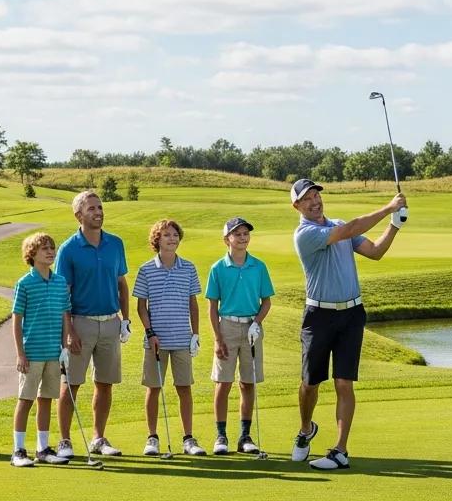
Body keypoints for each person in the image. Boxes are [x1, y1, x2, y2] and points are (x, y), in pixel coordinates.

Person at [290, 178, 407, 471]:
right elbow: (350, 229)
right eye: (307, 199)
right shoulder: (305, 233)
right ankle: (306, 429)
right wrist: (387, 207)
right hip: (318, 316)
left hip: (351, 314)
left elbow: (375, 251)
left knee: (344, 382)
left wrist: (395, 223)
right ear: (297, 206)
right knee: (310, 383)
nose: (315, 202)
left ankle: (340, 450)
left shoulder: (337, 224)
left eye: (317, 196)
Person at [54, 190, 131, 459]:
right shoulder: (68, 249)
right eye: (91, 209)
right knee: (71, 383)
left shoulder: (115, 243)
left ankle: (98, 438)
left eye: (99, 207)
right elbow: (63, 293)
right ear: (79, 215)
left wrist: (126, 319)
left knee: (105, 383)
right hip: (81, 323)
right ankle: (64, 440)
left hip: (110, 322)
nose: (98, 212)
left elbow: (122, 284)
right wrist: (69, 330)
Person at [134, 219, 205, 456]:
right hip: (156, 341)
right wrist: (150, 332)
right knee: (154, 388)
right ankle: (152, 438)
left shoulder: (189, 268)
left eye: (175, 235)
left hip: (182, 339)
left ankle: (188, 439)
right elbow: (141, 307)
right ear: (157, 240)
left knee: (184, 388)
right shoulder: (146, 269)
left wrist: (195, 333)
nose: (172, 239)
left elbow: (193, 304)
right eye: (166, 235)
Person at [205, 216, 274, 455]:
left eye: (246, 234)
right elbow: (212, 307)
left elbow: (266, 302)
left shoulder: (259, 266)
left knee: (248, 383)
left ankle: (245, 436)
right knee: (223, 383)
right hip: (227, 327)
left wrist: (257, 322)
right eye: (238, 234)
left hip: (252, 329)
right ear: (227, 239)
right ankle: (220, 435)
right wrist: (217, 338)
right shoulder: (217, 268)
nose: (243, 238)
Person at [10, 232, 72, 467]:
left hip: (53, 354)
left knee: (46, 399)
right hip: (32, 353)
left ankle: (43, 449)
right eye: (44, 248)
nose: (50, 252)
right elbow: (16, 320)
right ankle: (18, 451)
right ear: (32, 254)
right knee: (25, 400)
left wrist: (65, 345)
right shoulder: (24, 283)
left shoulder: (59, 283)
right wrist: (20, 353)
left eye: (52, 248)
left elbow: (65, 315)